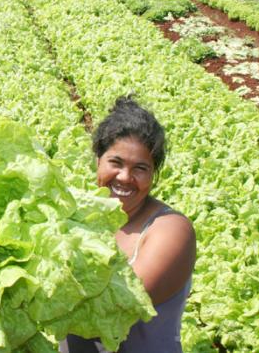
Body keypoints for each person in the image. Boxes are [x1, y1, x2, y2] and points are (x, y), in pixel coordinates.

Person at [63, 96, 196, 353]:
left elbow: (120, 305)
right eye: (116, 162)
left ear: (154, 173)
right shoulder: (78, 214)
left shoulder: (170, 230)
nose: (125, 177)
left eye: (140, 168)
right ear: (98, 160)